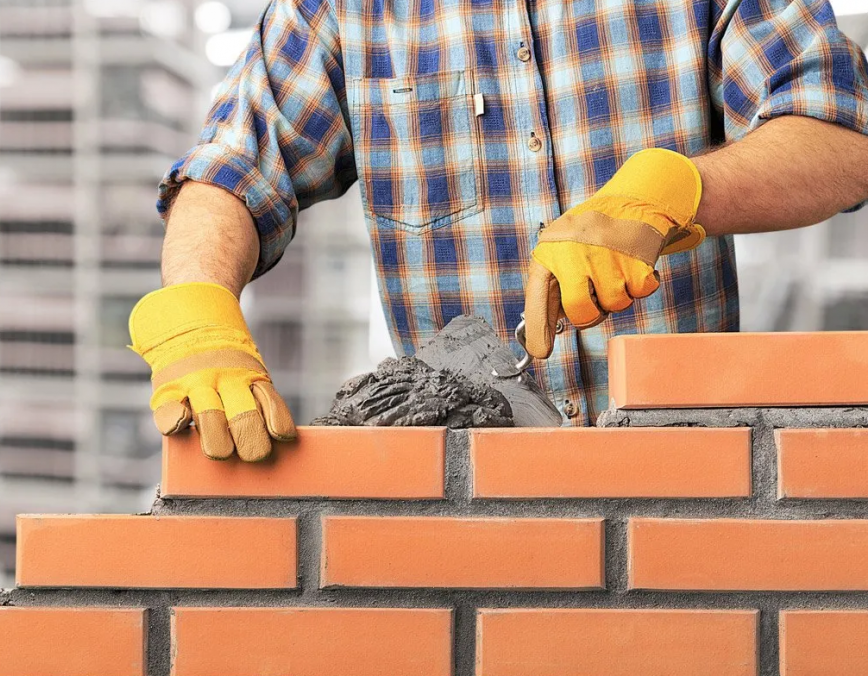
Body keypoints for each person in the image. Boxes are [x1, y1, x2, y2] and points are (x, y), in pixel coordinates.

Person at [129, 0, 868, 461]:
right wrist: (197, 312)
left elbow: (843, 137)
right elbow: (231, 170)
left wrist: (675, 188)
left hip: (693, 484)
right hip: (469, 505)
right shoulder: (344, 10)